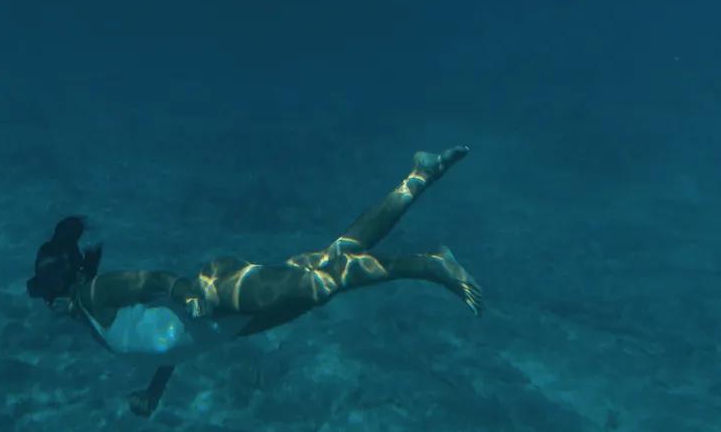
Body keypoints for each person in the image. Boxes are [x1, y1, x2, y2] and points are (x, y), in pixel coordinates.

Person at [27, 146, 482, 416]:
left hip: (218, 297)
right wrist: (153, 393)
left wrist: (187, 293)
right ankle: (420, 174)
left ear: (68, 281)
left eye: (50, 292)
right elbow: (161, 341)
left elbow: (155, 281)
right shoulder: (93, 325)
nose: (50, 305)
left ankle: (429, 265)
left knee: (325, 282)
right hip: (226, 326)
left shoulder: (94, 293)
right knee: (336, 261)